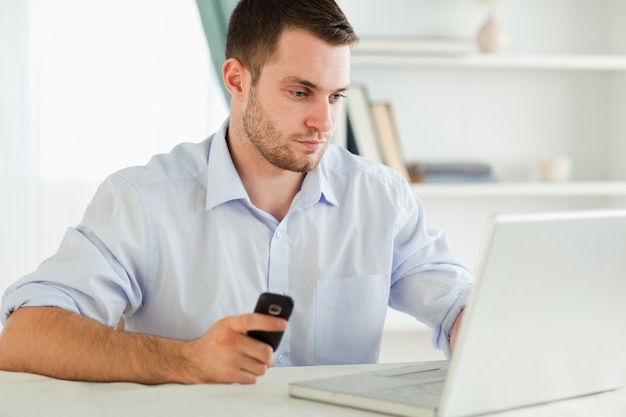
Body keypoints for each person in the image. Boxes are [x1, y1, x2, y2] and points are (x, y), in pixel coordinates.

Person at [0, 0, 472, 385]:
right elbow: (23, 336)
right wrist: (187, 360)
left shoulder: (380, 197)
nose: (324, 123)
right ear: (236, 79)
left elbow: (458, 305)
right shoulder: (142, 201)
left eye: (336, 96)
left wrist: (479, 329)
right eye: (301, 92)